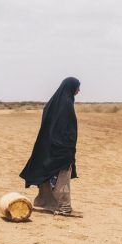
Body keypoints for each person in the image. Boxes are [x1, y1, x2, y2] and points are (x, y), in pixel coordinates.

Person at [20, 77, 83, 217]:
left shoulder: (52, 103)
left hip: (48, 146)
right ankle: (64, 208)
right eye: (77, 87)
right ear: (71, 87)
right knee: (63, 177)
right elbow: (66, 130)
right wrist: (68, 147)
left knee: (50, 174)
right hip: (61, 149)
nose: (79, 90)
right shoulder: (66, 104)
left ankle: (46, 203)